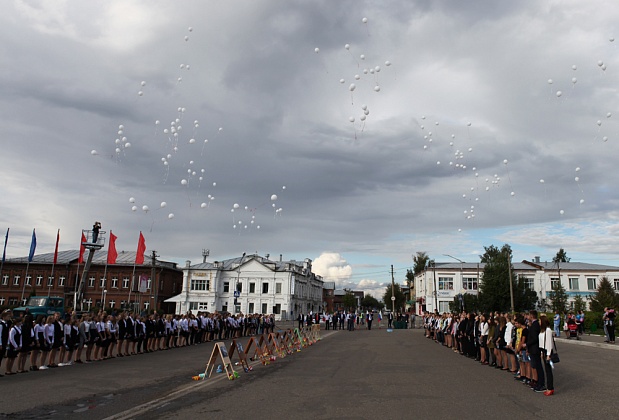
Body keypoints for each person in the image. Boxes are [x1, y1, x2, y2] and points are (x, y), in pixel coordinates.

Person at [527, 310, 545, 392]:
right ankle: (538, 382)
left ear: (531, 316)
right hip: (533, 349)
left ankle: (541, 384)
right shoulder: (533, 325)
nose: (528, 317)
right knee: (536, 366)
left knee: (538, 367)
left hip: (535, 349)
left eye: (529, 315)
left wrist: (527, 344)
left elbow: (534, 338)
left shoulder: (535, 325)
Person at [539, 314, 556, 396]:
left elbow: (549, 343)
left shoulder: (548, 330)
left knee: (548, 370)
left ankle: (550, 388)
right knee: (546, 369)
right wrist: (541, 352)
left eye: (540, 320)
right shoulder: (542, 330)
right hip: (543, 350)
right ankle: (549, 387)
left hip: (547, 351)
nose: (539, 322)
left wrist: (548, 354)